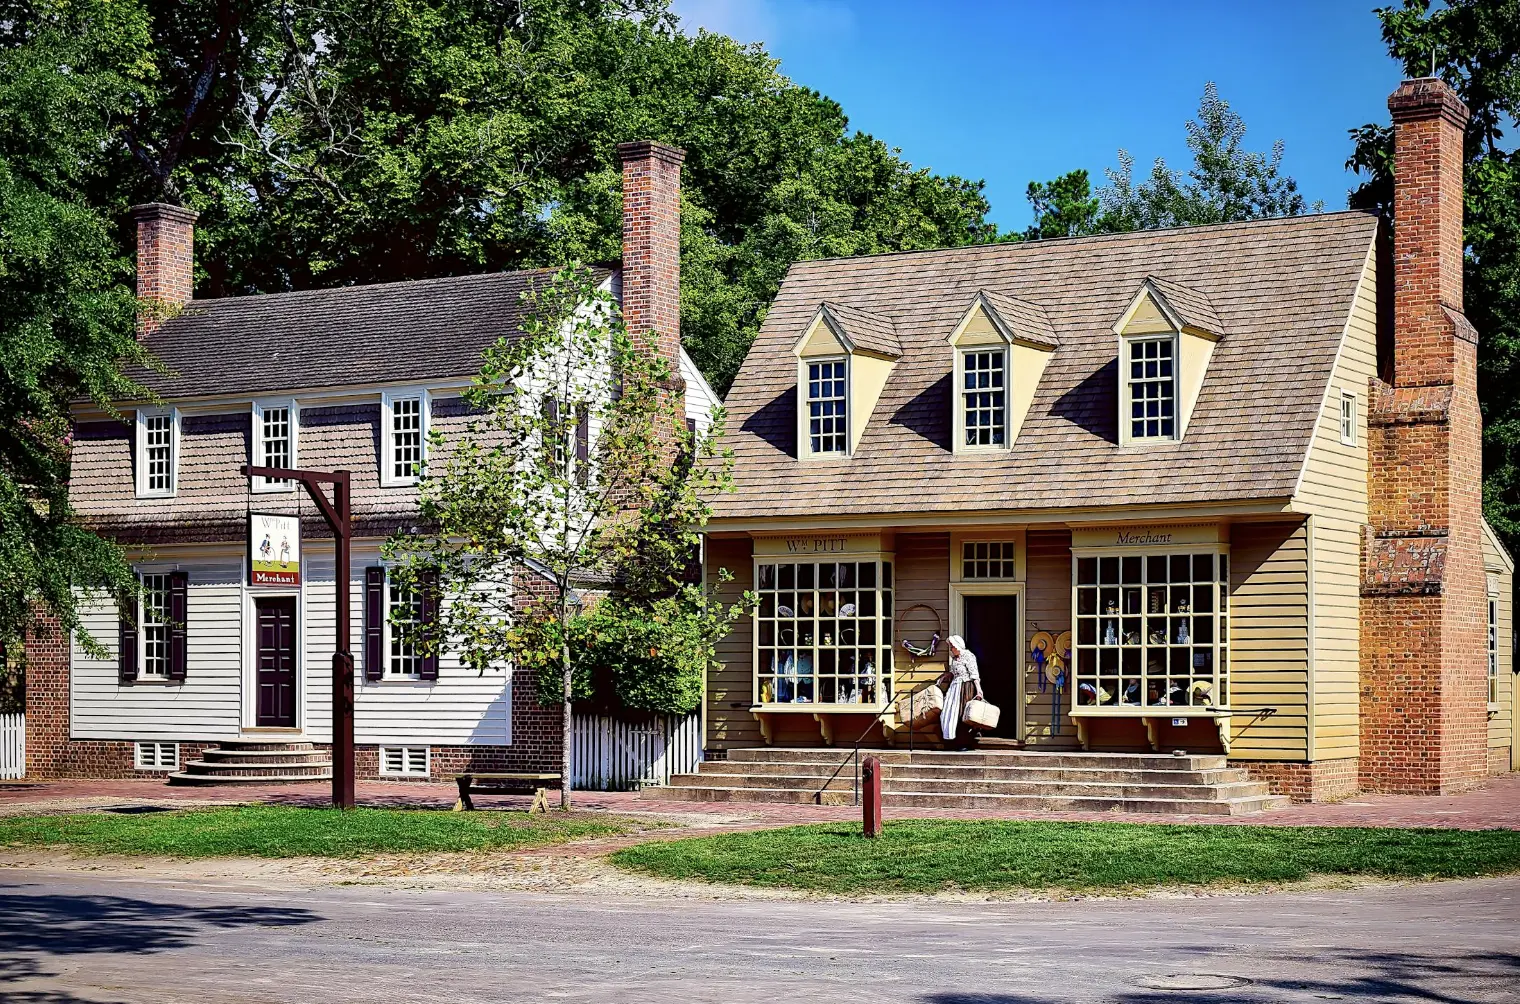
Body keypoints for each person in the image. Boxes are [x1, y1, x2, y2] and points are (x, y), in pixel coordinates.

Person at [937, 634, 984, 747]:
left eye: (953, 646)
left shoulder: (968, 656)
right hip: (954, 688)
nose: (951, 649)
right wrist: (944, 677)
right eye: (951, 647)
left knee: (962, 714)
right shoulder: (954, 659)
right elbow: (954, 673)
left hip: (965, 688)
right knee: (948, 713)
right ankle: (951, 741)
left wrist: (979, 690)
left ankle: (964, 742)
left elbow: (974, 674)